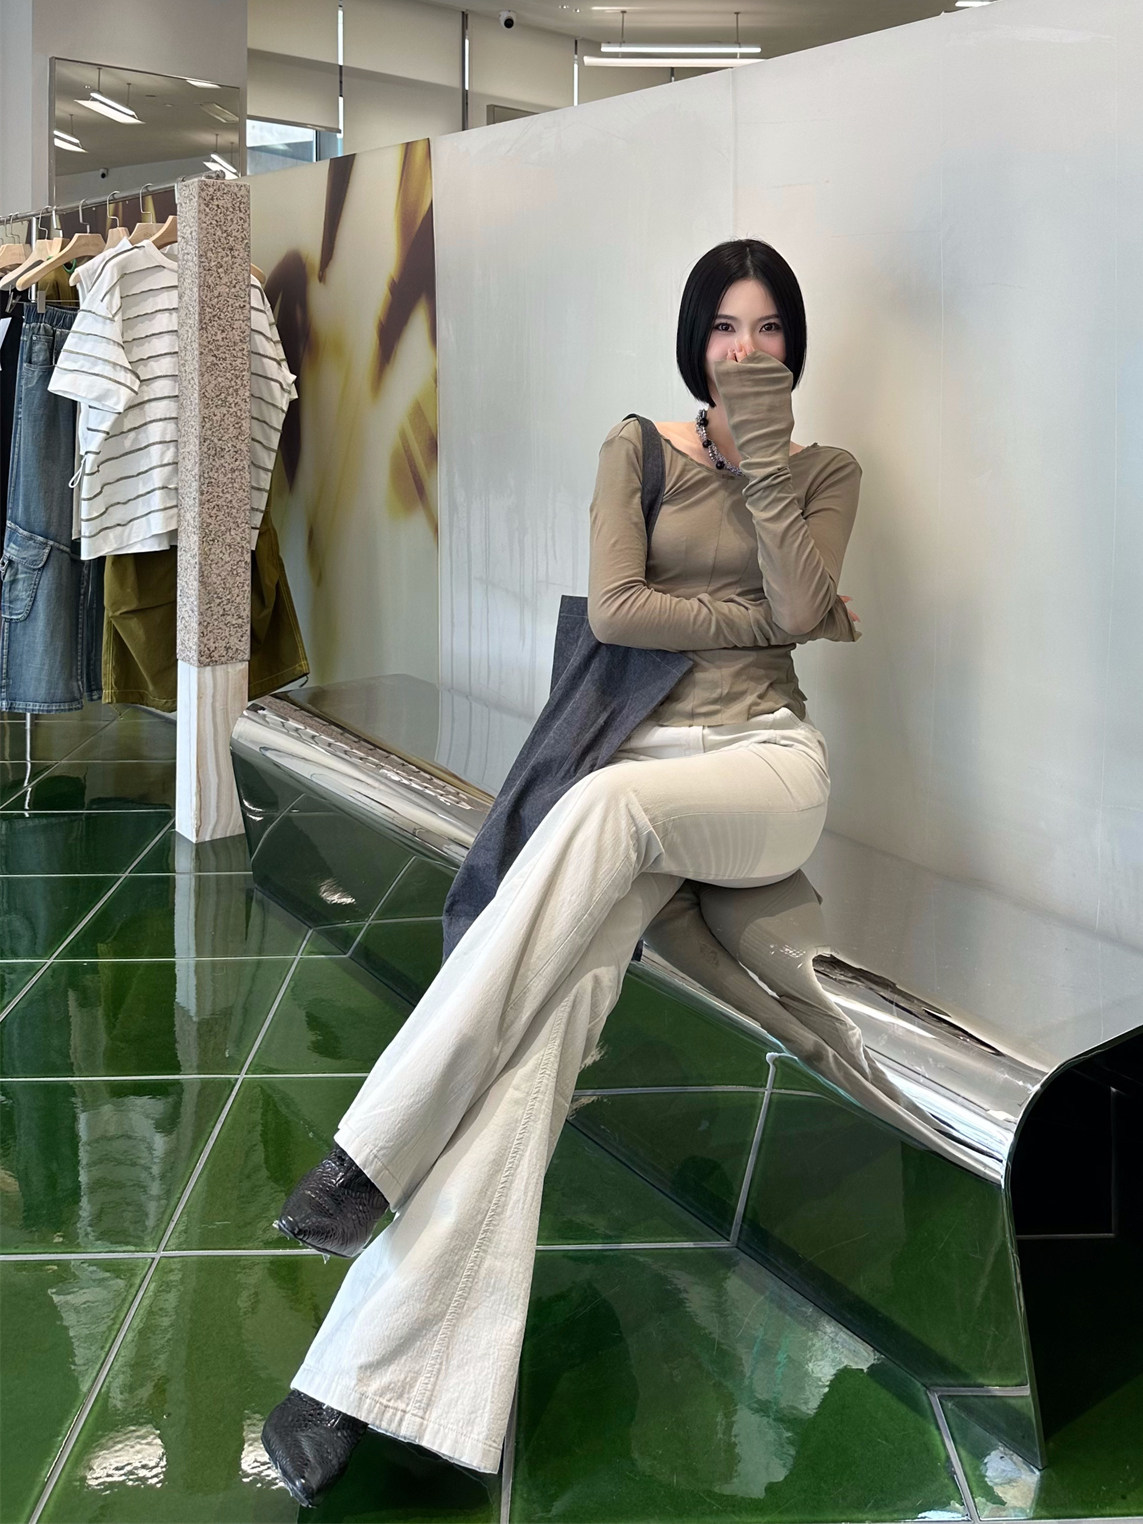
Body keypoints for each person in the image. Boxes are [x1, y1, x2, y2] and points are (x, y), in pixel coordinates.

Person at [260, 238, 863, 1506]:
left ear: (793, 342)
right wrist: (755, 616)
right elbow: (616, 610)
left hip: (764, 771)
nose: (746, 348)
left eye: (767, 329)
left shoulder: (824, 471)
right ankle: (349, 1380)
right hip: (641, 770)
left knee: (603, 806)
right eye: (726, 328)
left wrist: (762, 469)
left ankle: (372, 1152)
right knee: (538, 1047)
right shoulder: (636, 447)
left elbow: (805, 607)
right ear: (693, 339)